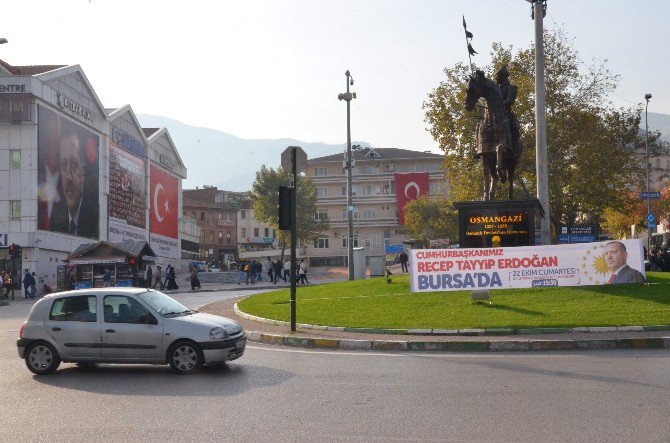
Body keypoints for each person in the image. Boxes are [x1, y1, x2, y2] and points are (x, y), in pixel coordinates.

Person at [49, 129, 98, 238]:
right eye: (64, 165)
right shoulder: (55, 220)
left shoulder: (95, 219)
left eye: (74, 165)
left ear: (83, 171)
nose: (69, 177)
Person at [495, 65, 521, 153]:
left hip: (506, 113)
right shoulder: (495, 89)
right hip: (494, 114)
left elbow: (510, 100)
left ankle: (513, 148)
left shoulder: (511, 88)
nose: (496, 78)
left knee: (512, 125)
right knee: (481, 125)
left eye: (498, 76)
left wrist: (499, 105)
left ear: (503, 77)